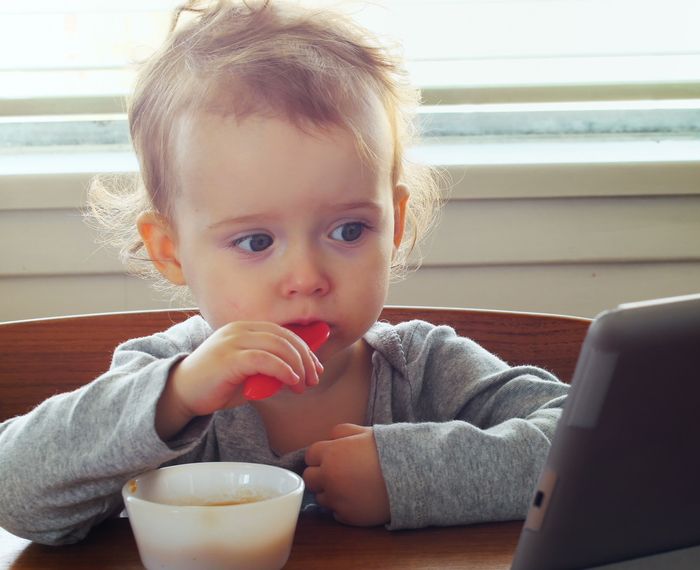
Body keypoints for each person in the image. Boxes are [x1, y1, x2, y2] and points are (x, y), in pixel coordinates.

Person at [0, 0, 567, 545]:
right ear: (170, 250)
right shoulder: (162, 382)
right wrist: (175, 400)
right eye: (255, 241)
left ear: (394, 224)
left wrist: (412, 473)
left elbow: (596, 446)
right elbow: (13, 491)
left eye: (348, 231)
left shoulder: (422, 369)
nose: (306, 277)